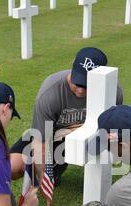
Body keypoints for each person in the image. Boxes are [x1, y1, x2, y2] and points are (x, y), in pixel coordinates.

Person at [10, 47, 123, 184]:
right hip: (52, 138)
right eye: (78, 82)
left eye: (87, 85)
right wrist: (45, 181)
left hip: (86, 139)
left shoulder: (113, 91)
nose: (81, 90)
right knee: (12, 167)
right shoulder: (50, 92)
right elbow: (41, 142)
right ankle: (55, 170)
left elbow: (112, 131)